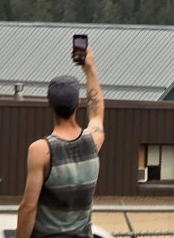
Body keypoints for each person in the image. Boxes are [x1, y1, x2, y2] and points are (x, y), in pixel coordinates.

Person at [18, 47, 105, 238]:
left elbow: (28, 207)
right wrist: (89, 69)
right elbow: (97, 112)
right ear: (77, 104)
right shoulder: (93, 141)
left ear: (49, 104)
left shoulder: (41, 150)